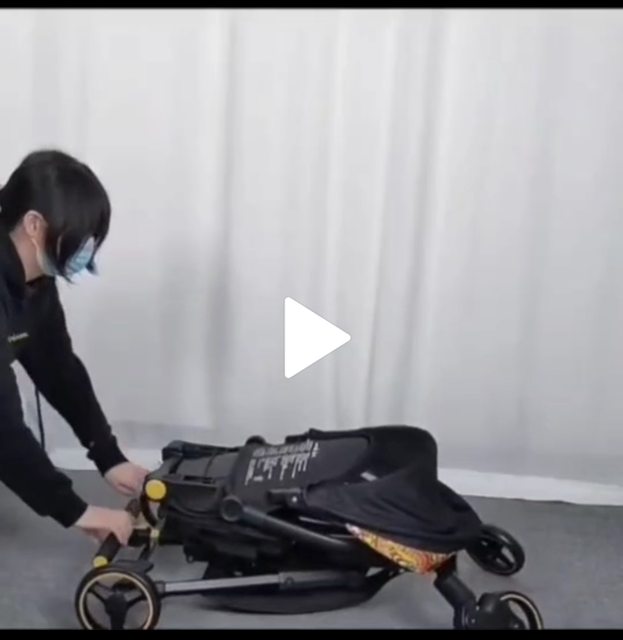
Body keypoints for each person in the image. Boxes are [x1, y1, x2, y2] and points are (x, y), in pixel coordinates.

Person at [0, 149, 149, 546]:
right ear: (34, 224)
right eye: (82, 237)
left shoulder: (36, 283)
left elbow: (59, 369)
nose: (88, 249)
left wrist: (108, 456)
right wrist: (76, 511)